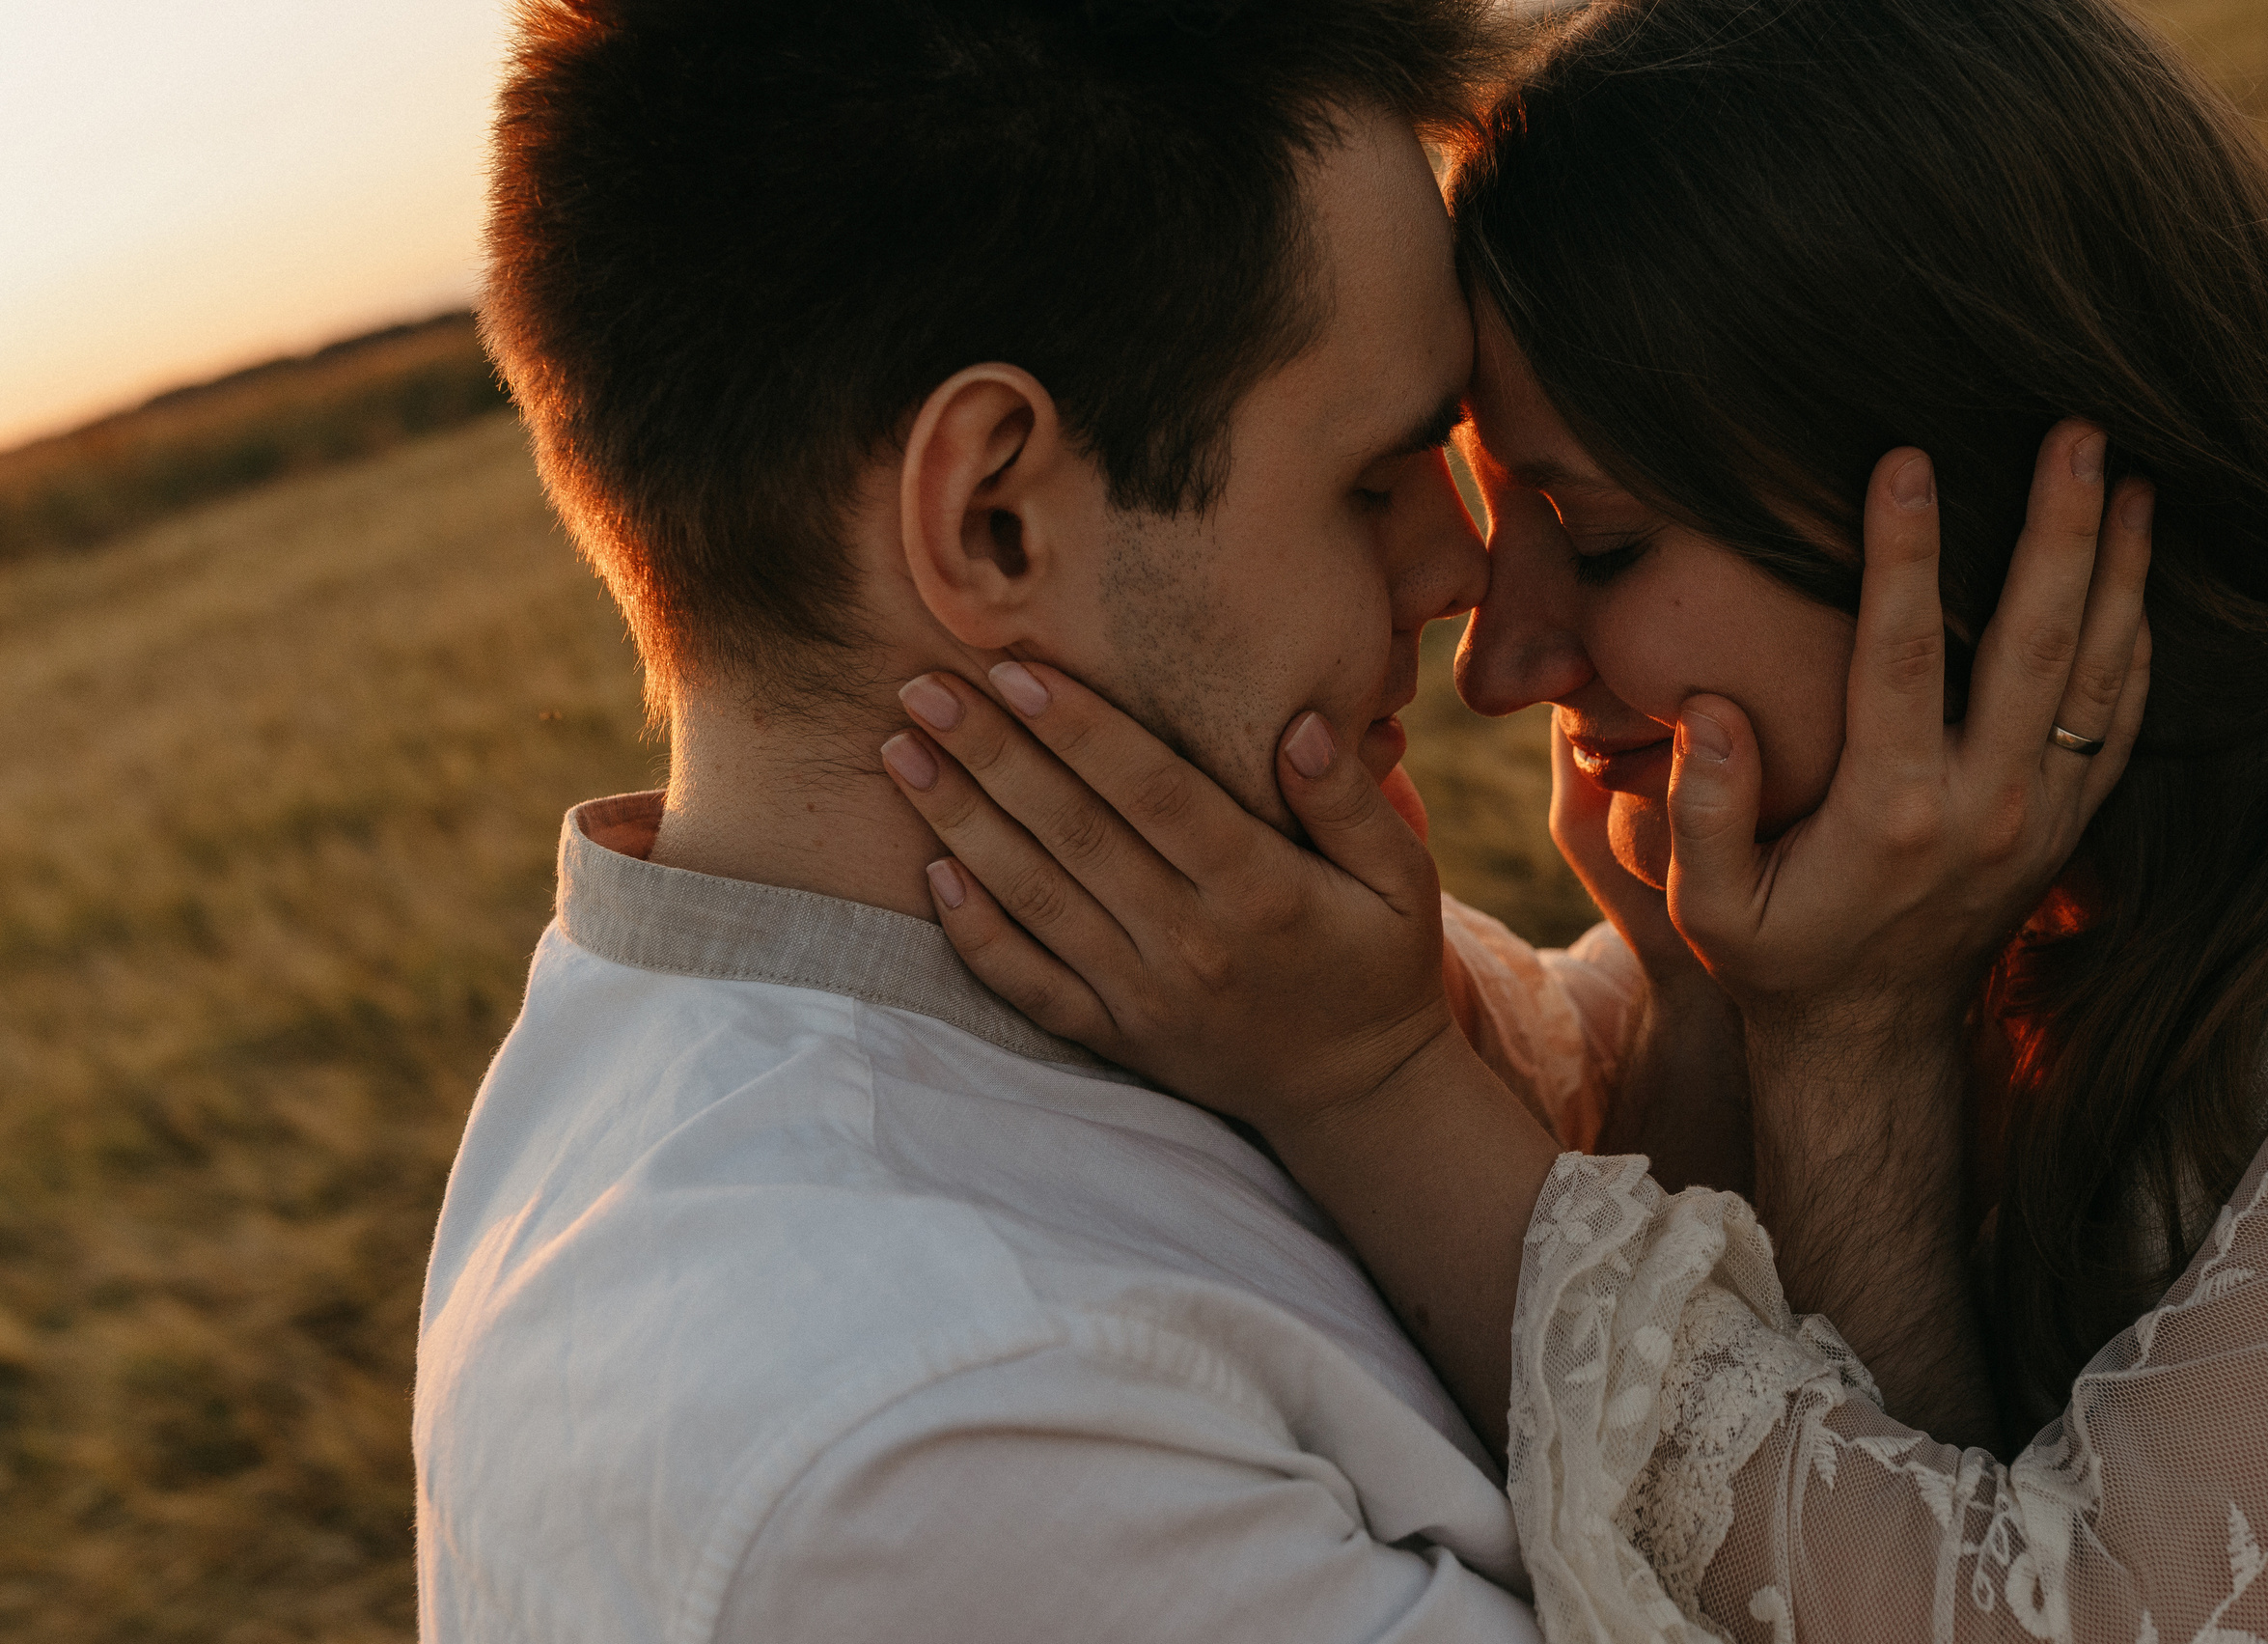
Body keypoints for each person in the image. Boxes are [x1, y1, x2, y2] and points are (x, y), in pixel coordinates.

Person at [881, 0, 2268, 1639]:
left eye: (1600, 541)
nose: (1499, 663)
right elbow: (1866, 1503)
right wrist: (1750, 1015)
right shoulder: (1936, 889)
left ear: (1984, 500)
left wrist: (1366, 1088)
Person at [415, 3, 1624, 1638]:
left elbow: (1579, 1130)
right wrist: (1857, 1054)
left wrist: (1764, 967)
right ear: (993, 520)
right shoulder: (922, 1437)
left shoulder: (1162, 930)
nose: (1464, 568)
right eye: (1372, 482)